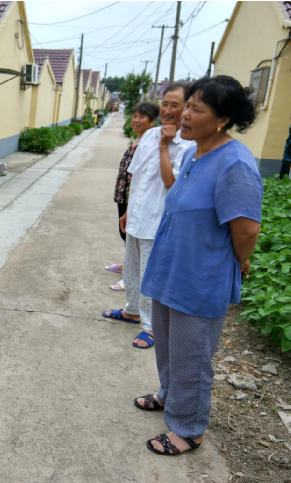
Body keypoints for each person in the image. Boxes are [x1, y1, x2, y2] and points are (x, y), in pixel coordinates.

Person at [135, 75, 261, 456]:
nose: (185, 114)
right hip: (171, 269)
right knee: (167, 343)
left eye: (196, 109)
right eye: (186, 105)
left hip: (200, 276)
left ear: (222, 119)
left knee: (192, 353)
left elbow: (246, 230)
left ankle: (188, 428)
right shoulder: (194, 153)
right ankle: (169, 395)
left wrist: (239, 260)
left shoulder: (235, 163)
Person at [102, 83, 195, 349]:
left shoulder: (189, 144)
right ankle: (132, 310)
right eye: (165, 103)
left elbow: (171, 183)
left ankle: (152, 326)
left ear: (187, 109)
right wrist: (128, 210)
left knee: (150, 276)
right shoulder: (150, 135)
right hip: (137, 215)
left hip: (158, 221)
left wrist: (165, 145)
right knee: (131, 268)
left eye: (175, 105)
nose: (167, 110)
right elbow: (137, 176)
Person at [105, 101, 159, 291]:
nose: (135, 120)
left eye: (141, 117)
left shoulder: (150, 144)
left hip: (133, 196)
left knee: (132, 236)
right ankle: (126, 266)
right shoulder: (137, 140)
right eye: (135, 116)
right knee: (125, 234)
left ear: (152, 121)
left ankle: (131, 277)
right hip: (124, 194)